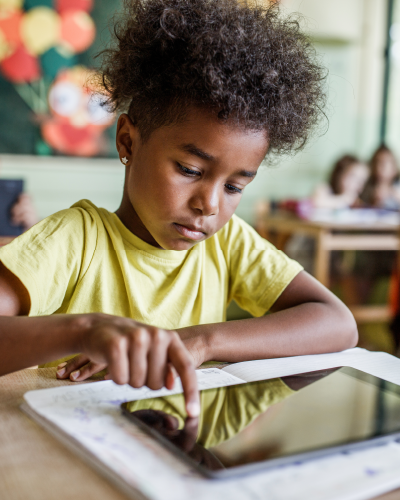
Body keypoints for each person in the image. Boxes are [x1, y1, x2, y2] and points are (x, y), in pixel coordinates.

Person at [0, 0, 357, 418]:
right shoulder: (76, 240)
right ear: (128, 142)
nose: (209, 204)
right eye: (189, 169)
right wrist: (85, 330)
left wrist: (201, 341)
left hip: (178, 455)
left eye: (235, 186)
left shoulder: (226, 242)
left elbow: (338, 323)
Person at [362, 145, 400, 209]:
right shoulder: (366, 187)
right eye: (376, 163)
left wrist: (391, 193)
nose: (378, 168)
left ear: (394, 168)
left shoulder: (397, 186)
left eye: (383, 164)